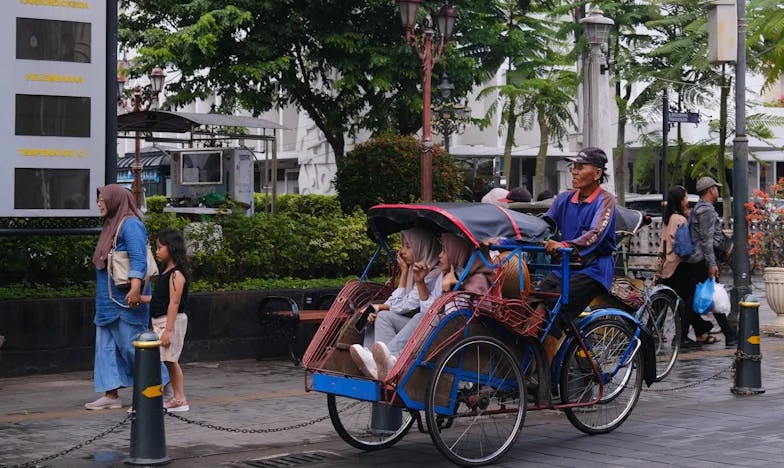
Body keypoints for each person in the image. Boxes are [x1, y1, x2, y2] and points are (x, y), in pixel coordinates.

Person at [525, 148, 617, 362]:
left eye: (580, 167)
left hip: (592, 271)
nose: (574, 172)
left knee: (552, 313)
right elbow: (543, 225)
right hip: (563, 268)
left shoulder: (605, 201)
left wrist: (564, 244)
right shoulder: (564, 199)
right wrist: (506, 238)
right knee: (529, 303)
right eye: (573, 167)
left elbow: (595, 234)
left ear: (596, 174)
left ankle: (543, 382)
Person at [370, 232, 495, 380]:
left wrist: (447, 291)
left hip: (452, 336)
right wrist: (421, 282)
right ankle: (384, 364)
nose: (440, 255)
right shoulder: (444, 275)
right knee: (384, 317)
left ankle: (390, 361)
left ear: (457, 253)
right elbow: (428, 312)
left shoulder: (476, 280)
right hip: (432, 328)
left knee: (422, 317)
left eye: (444, 251)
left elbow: (454, 320)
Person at [86, 184, 167, 410]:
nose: (99, 203)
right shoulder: (111, 224)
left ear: (115, 200)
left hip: (126, 300)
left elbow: (138, 259)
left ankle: (157, 387)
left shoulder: (130, 224)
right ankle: (110, 395)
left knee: (134, 347)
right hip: (107, 301)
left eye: (102, 199)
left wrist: (135, 289)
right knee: (106, 349)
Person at [349, 227, 442, 379]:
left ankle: (384, 360)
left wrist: (418, 281)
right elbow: (399, 303)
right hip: (418, 323)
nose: (402, 251)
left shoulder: (433, 274)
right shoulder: (416, 271)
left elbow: (406, 306)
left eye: (408, 246)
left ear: (421, 248)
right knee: (382, 316)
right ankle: (378, 364)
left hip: (432, 328)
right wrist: (405, 273)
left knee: (417, 316)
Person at [657, 186, 715, 347]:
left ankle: (699, 331)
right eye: (686, 195)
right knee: (685, 303)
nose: (687, 198)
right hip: (677, 266)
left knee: (662, 303)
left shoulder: (667, 217)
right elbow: (683, 246)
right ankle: (684, 336)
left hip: (665, 264)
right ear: (681, 199)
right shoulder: (680, 219)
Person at [141, 228, 191, 412]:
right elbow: (161, 299)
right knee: (168, 360)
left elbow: (174, 303)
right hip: (162, 321)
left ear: (171, 248)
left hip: (171, 321)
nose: (157, 251)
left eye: (160, 247)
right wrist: (141, 299)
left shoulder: (176, 274)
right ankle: (175, 397)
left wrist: (168, 330)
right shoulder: (167, 272)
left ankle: (180, 398)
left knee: (171, 360)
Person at [690, 177, 738, 347]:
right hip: (702, 261)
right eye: (716, 188)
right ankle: (730, 336)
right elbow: (706, 240)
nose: (717, 191)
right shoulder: (707, 211)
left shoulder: (698, 208)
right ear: (711, 190)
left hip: (697, 260)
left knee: (698, 297)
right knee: (714, 299)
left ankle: (703, 332)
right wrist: (712, 264)